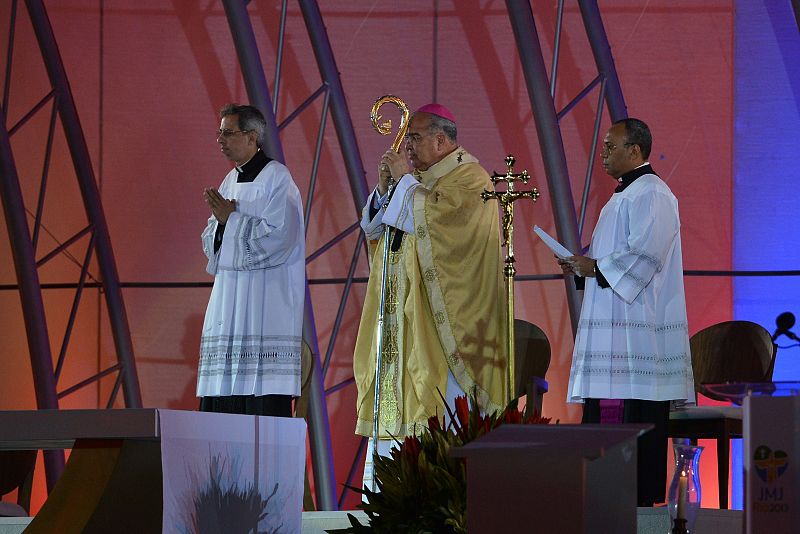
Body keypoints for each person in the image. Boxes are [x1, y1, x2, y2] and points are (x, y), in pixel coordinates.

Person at [353, 104, 508, 486]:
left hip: (443, 328)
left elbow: (444, 232)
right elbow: (378, 234)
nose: (407, 145)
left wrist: (405, 184)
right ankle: (389, 499)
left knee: (438, 406)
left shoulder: (471, 180)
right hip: (399, 318)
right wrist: (388, 189)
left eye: (415, 137)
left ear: (441, 139)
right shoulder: (417, 181)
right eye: (407, 138)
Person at [557, 118, 695, 506]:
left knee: (635, 425)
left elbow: (645, 257)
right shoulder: (621, 198)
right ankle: (604, 502)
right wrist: (585, 266)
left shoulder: (653, 194)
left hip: (639, 340)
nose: (602, 154)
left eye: (609, 146)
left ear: (634, 151)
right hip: (617, 332)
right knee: (606, 421)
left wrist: (595, 267)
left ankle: (632, 507)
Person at [196, 103, 305, 418]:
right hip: (230, 299)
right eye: (219, 133)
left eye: (228, 132)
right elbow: (211, 239)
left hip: (264, 302)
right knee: (224, 402)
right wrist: (221, 226)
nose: (220, 139)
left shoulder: (278, 179)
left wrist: (231, 220)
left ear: (252, 136)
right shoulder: (230, 180)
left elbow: (280, 238)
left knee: (259, 403)